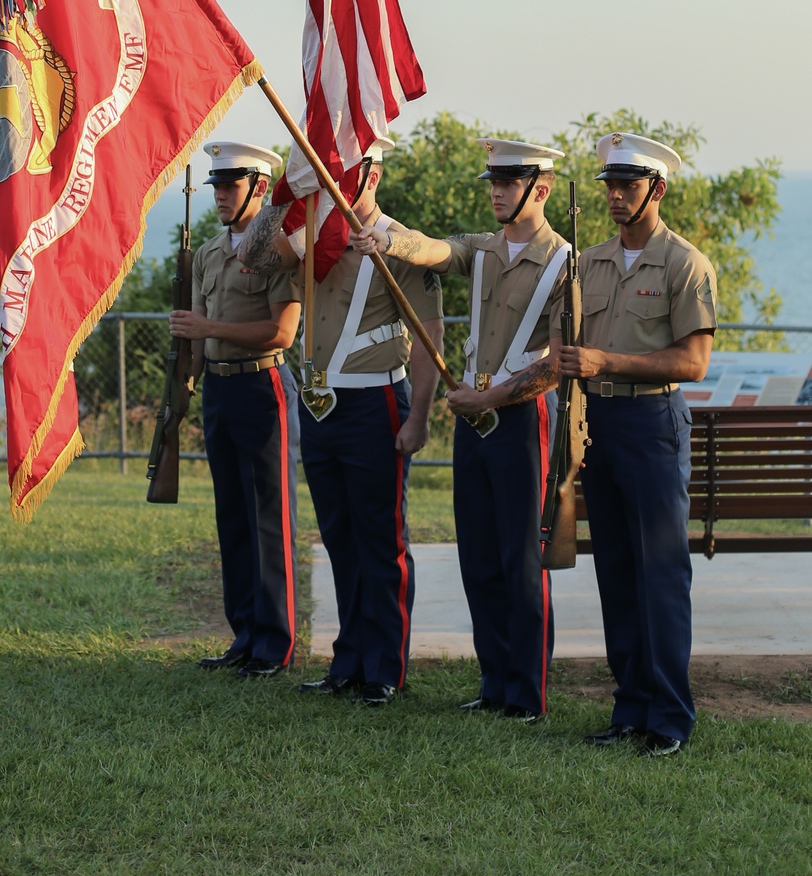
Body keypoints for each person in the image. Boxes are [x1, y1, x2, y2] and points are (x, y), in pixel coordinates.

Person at [353, 139, 568, 724]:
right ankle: (494, 681)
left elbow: (556, 363)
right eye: (493, 182)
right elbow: (435, 249)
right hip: (474, 418)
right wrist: (388, 240)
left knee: (522, 559)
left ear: (539, 190)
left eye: (508, 182)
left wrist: (493, 395)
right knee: (478, 556)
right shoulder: (483, 249)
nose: (496, 191)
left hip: (522, 418)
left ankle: (526, 693)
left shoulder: (565, 262)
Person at [239, 137, 443, 705]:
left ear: (370, 177)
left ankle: (384, 668)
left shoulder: (400, 244)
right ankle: (348, 659)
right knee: (338, 539)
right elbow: (252, 257)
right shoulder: (311, 235)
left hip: (375, 402)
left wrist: (419, 417)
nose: (327, 180)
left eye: (338, 170)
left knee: (381, 542)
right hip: (321, 405)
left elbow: (431, 341)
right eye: (322, 170)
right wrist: (285, 192)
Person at [558, 131, 717, 758]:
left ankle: (670, 718)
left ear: (659, 187)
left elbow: (695, 360)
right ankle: (630, 706)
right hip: (597, 424)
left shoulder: (685, 263)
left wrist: (605, 360)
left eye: (629, 185)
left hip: (652, 426)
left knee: (660, 575)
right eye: (611, 185)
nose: (617, 195)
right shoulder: (590, 261)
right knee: (617, 572)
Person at [170, 141, 302, 679]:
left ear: (259, 188)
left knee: (269, 518)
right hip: (221, 391)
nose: (221, 196)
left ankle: (275, 644)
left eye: (231, 186)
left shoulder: (277, 253)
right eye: (217, 186)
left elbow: (282, 331)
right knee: (233, 518)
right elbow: (195, 339)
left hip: (262, 385)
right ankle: (245, 636)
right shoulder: (206, 253)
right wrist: (181, 388)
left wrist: (208, 330)